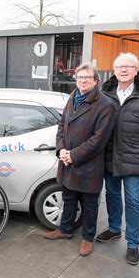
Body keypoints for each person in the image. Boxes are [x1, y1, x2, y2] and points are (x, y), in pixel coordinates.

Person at [96, 52, 139, 265]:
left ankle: (133, 243)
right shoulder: (105, 93)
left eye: (128, 66)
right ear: (114, 70)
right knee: (112, 195)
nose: (124, 70)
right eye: (119, 67)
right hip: (109, 156)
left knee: (134, 201)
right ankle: (115, 228)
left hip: (135, 157)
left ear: (137, 70)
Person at [41, 64, 115, 256]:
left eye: (87, 78)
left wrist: (73, 155)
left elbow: (99, 140)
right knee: (69, 198)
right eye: (80, 77)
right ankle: (65, 230)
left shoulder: (105, 104)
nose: (82, 80)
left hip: (88, 164)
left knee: (90, 204)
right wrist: (61, 150)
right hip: (67, 161)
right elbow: (62, 125)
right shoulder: (72, 97)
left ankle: (87, 238)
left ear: (95, 81)